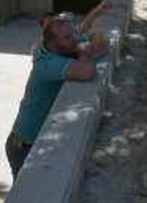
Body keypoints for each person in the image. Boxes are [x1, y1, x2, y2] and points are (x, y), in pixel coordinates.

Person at [7, 17, 97, 178]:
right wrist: (84, 53)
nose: (75, 39)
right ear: (53, 43)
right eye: (68, 37)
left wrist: (83, 45)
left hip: (37, 139)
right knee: (26, 196)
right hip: (24, 145)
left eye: (73, 34)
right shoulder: (46, 63)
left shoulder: (63, 47)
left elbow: (101, 40)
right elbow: (87, 71)